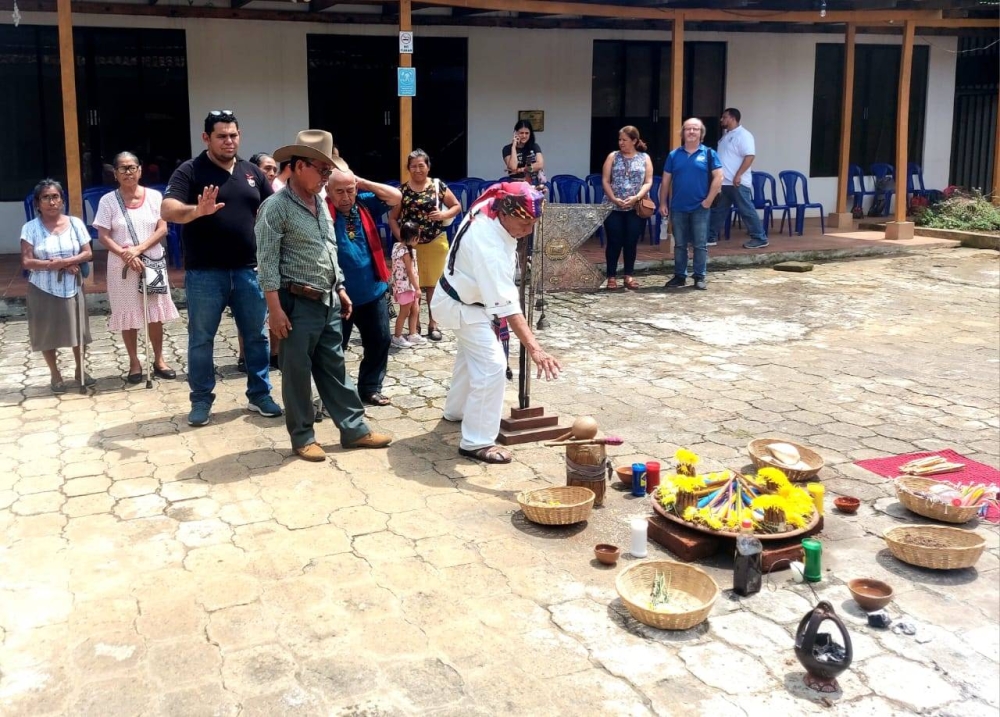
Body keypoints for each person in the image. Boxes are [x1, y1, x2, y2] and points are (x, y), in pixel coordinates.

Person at [255, 129, 392, 462]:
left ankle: (355, 430)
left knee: (335, 368)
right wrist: (274, 310)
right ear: (300, 166)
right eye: (322, 170)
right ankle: (303, 437)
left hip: (328, 300)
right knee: (298, 373)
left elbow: (329, 249)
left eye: (329, 172)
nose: (326, 177)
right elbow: (267, 262)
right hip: (294, 303)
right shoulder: (275, 208)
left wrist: (341, 287)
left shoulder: (319, 201)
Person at [161, 109, 282, 427]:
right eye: (222, 136)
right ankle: (201, 400)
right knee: (201, 339)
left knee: (256, 337)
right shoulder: (189, 171)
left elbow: (273, 209)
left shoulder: (252, 172)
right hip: (205, 273)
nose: (229, 141)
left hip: (249, 271)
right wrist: (196, 211)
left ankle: (259, 395)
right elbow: (168, 209)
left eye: (234, 135)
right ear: (206, 138)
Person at [430, 182, 561, 465]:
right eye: (523, 223)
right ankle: (476, 442)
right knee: (492, 367)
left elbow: (513, 186)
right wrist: (535, 348)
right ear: (505, 212)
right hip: (463, 306)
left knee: (470, 357)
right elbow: (508, 308)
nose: (528, 231)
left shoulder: (493, 202)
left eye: (533, 224)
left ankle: (456, 411)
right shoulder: (486, 243)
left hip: (461, 296)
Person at [93, 151, 179, 383]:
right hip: (121, 266)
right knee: (127, 314)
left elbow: (162, 228)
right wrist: (125, 253)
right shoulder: (107, 201)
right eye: (123, 168)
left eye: (132, 167)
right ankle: (134, 362)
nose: (128, 172)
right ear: (115, 173)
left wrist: (138, 249)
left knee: (155, 314)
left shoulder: (154, 197)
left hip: (152, 262)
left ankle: (159, 359)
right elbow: (103, 235)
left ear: (140, 170)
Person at [325, 168, 402, 406]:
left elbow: (396, 197)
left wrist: (363, 182)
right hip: (338, 294)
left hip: (372, 290)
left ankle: (370, 388)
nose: (346, 197)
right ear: (327, 191)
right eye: (339, 192)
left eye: (350, 190)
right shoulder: (320, 211)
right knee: (334, 349)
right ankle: (336, 394)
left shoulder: (365, 203)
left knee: (380, 340)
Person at [19, 179, 95, 393]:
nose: (51, 202)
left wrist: (70, 262)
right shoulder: (30, 228)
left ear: (62, 200)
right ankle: (55, 374)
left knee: (78, 331)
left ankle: (80, 370)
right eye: (46, 197)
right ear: (37, 203)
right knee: (46, 333)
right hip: (42, 288)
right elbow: (27, 261)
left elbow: (88, 252)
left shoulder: (75, 223)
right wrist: (58, 264)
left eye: (55, 197)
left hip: (72, 286)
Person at [388, 149, 461, 342]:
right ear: (408, 169)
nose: (418, 169)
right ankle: (415, 326)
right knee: (415, 286)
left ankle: (433, 324)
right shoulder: (402, 191)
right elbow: (393, 218)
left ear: (428, 166)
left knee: (434, 287)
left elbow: (456, 206)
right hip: (412, 247)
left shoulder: (438, 186)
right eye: (413, 166)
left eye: (422, 165)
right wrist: (403, 240)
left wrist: (443, 215)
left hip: (436, 242)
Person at [659, 118, 723, 291]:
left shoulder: (709, 154)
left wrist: (708, 200)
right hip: (678, 207)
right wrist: (663, 202)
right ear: (683, 133)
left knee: (700, 244)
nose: (691, 132)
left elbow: (719, 177)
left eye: (695, 129)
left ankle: (699, 277)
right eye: (688, 129)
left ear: (701, 133)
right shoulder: (674, 155)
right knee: (679, 244)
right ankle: (680, 276)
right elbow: (665, 181)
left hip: (700, 208)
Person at [600, 125, 654, 291]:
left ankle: (629, 274)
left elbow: (648, 181)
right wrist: (614, 199)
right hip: (613, 207)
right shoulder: (613, 157)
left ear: (634, 141)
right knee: (614, 241)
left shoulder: (644, 158)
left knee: (631, 242)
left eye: (624, 140)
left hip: (635, 207)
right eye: (620, 139)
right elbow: (605, 180)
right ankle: (611, 276)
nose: (621, 143)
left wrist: (636, 197)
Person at [708, 108, 768, 250]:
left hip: (737, 182)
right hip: (724, 182)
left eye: (724, 117)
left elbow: (750, 156)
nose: (722, 120)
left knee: (746, 210)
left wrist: (738, 175)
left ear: (733, 118)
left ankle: (759, 237)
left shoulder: (744, 135)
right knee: (718, 210)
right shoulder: (725, 136)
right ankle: (710, 236)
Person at [391, 221, 422, 348]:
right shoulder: (405, 252)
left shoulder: (397, 246)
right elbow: (409, 271)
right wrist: (418, 288)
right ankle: (397, 336)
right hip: (406, 287)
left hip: (408, 285)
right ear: (414, 238)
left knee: (415, 308)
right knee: (404, 312)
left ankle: (412, 333)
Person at [502, 120, 544, 184]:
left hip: (533, 182)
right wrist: (513, 147)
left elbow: (540, 164)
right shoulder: (507, 149)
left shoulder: (534, 146)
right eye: (521, 133)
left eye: (527, 133)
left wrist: (520, 169)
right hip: (515, 182)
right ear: (515, 133)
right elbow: (513, 167)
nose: (524, 136)